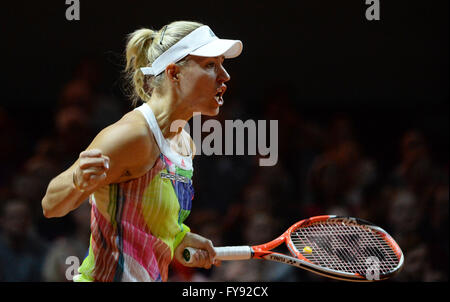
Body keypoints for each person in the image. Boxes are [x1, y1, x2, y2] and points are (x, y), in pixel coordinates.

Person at [41, 20, 243, 282]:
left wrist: (179, 238)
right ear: (174, 74)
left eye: (222, 64)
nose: (225, 76)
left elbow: (144, 220)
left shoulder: (184, 144)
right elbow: (50, 205)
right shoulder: (134, 136)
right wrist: (77, 180)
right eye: (210, 65)